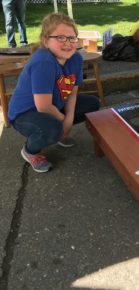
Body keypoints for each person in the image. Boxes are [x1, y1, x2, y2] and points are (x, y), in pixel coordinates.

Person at [8, 12, 100, 173]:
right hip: (25, 114)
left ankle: (58, 133)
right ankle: (30, 151)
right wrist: (63, 120)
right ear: (45, 41)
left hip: (54, 105)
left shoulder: (76, 58)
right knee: (53, 128)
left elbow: (72, 92)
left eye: (72, 38)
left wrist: (69, 120)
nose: (68, 43)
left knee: (92, 103)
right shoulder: (43, 61)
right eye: (60, 38)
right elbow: (43, 106)